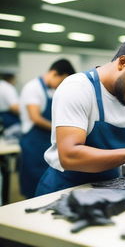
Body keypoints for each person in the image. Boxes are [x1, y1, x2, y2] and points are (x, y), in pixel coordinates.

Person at [35, 32, 125, 196]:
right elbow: (70, 156)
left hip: (108, 187)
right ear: (123, 62)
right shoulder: (77, 88)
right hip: (65, 190)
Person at [19, 59, 75, 198]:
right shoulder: (33, 88)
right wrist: (62, 128)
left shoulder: (50, 90)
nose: (61, 85)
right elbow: (35, 117)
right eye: (61, 81)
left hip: (45, 141)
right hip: (33, 142)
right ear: (54, 74)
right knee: (33, 183)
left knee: (46, 184)